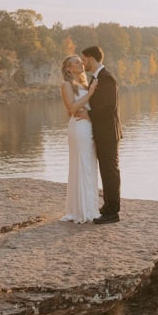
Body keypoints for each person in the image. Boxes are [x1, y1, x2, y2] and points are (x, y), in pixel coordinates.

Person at [81, 45, 122, 224]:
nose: (83, 63)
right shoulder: (96, 78)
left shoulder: (107, 78)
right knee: (106, 171)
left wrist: (88, 115)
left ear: (91, 58)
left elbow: (109, 107)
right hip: (100, 133)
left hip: (108, 133)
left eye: (84, 59)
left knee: (110, 172)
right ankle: (107, 207)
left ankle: (113, 212)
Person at [60, 55, 100, 223]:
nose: (80, 63)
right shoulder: (67, 85)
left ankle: (90, 208)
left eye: (80, 60)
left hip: (89, 126)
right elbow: (72, 108)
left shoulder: (86, 83)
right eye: (76, 62)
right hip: (78, 127)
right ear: (69, 68)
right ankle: (80, 211)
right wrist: (90, 93)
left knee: (90, 164)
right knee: (81, 164)